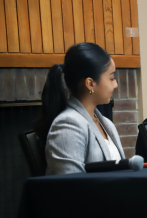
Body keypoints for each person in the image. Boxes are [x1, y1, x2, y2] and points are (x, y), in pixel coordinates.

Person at [35, 42, 125, 175]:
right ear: (90, 83)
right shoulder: (68, 125)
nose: (116, 84)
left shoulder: (106, 123)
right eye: (111, 78)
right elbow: (71, 187)